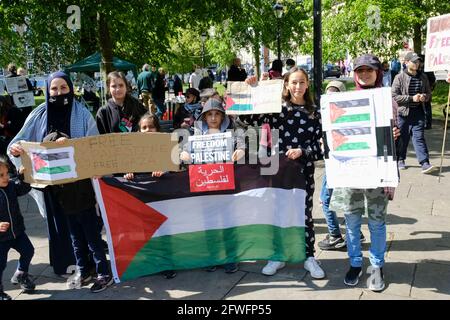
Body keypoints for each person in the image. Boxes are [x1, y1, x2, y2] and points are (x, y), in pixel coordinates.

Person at [8, 71, 98, 276]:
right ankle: (64, 264)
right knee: (59, 225)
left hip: (77, 184)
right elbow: (17, 142)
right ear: (48, 91)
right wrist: (17, 151)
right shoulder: (39, 113)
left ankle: (86, 266)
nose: (59, 93)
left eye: (63, 88)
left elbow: (93, 144)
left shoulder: (82, 113)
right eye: (54, 89)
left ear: (71, 89)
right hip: (50, 186)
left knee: (82, 225)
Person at [243, 67, 326, 279]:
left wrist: (303, 151)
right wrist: (253, 89)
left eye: (302, 82)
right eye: (294, 83)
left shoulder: (315, 112)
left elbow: (322, 147)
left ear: (307, 85)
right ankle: (277, 256)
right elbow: (249, 119)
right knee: (277, 213)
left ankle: (308, 256)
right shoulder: (276, 110)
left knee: (304, 215)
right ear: (286, 85)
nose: (298, 87)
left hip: (303, 172)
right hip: (277, 171)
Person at [330, 54, 400, 292]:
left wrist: (394, 136)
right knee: (351, 221)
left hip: (377, 171)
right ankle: (355, 263)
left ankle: (377, 266)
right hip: (351, 171)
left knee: (377, 223)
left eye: (369, 70)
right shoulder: (345, 100)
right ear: (354, 74)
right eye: (360, 70)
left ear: (377, 72)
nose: (364, 74)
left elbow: (392, 134)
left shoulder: (386, 99)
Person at [180, 98, 245, 274]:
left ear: (223, 116)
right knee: (209, 223)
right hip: (205, 187)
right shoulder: (196, 133)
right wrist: (184, 153)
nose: (214, 118)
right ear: (204, 117)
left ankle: (231, 257)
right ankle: (213, 256)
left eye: (217, 114)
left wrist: (241, 150)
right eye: (210, 114)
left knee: (228, 223)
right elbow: (184, 149)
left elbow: (242, 143)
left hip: (227, 185)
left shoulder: (233, 131)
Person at [43, 131, 113, 293]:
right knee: (77, 243)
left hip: (86, 207)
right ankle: (84, 270)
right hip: (69, 209)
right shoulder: (52, 169)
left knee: (94, 242)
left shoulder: (80, 159)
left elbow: (98, 162)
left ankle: (103, 273)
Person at [318, 81, 366, 251]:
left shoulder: (345, 116)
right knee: (338, 198)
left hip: (341, 164)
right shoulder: (324, 114)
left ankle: (335, 235)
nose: (331, 98)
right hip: (333, 163)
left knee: (327, 199)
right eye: (328, 94)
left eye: (335, 94)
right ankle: (355, 232)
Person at [391, 52, 435, 173]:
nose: (417, 63)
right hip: (403, 113)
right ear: (406, 62)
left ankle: (425, 163)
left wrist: (423, 97)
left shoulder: (423, 77)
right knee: (403, 138)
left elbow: (429, 94)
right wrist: (411, 98)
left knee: (419, 137)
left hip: (418, 112)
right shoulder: (399, 78)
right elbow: (394, 96)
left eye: (418, 61)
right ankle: (400, 159)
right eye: (414, 61)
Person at [0, 156, 35, 300]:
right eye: (1, 175)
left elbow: (24, 188)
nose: (6, 177)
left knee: (28, 251)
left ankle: (21, 274)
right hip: (1, 238)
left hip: (17, 232)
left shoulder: (11, 186)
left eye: (7, 173)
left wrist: (23, 176)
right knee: (0, 265)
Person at [418, 54, 436, 129]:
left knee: (427, 107)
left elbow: (433, 79)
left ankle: (428, 124)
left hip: (426, 90)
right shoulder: (418, 69)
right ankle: (422, 123)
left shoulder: (427, 69)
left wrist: (429, 87)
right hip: (419, 90)